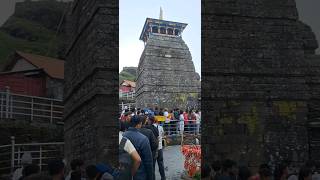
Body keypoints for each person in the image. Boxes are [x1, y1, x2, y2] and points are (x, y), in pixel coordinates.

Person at [123, 115, 154, 180]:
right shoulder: (143, 139)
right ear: (139, 124)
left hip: (124, 173)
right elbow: (148, 161)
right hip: (140, 174)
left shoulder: (123, 136)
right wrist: (151, 177)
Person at [137, 115, 158, 180]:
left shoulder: (136, 131)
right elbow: (155, 144)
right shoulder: (150, 130)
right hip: (150, 154)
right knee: (151, 170)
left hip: (138, 155)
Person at [152, 116, 166, 180]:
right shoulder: (160, 127)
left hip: (153, 149)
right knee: (161, 164)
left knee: (153, 165)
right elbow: (163, 135)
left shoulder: (151, 128)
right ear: (157, 121)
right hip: (160, 148)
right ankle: (163, 178)